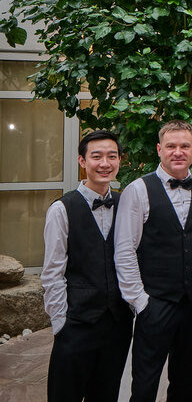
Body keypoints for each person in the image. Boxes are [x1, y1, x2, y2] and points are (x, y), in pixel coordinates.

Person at [114, 120, 192, 402]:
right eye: (171, 146)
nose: (178, 152)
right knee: (145, 383)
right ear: (160, 150)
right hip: (154, 303)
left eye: (185, 146)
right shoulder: (138, 189)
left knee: (183, 382)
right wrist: (140, 301)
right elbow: (124, 249)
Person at [42, 130, 133, 402]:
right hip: (76, 323)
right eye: (97, 156)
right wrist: (61, 323)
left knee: (106, 395)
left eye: (112, 156)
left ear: (119, 161)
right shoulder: (62, 209)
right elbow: (52, 272)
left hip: (117, 323)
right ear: (82, 161)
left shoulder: (126, 203)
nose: (105, 163)